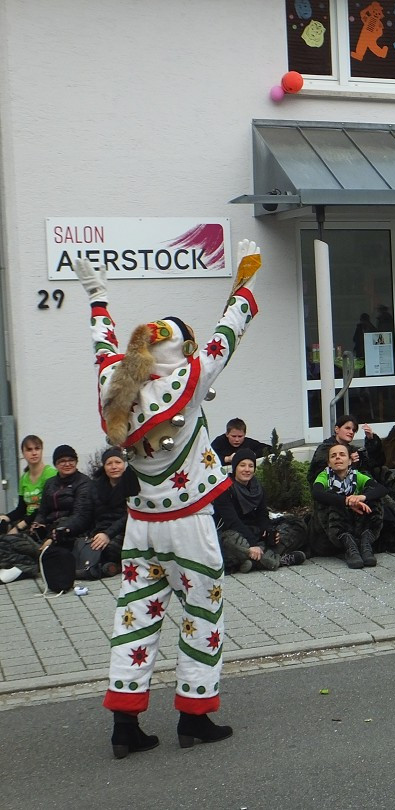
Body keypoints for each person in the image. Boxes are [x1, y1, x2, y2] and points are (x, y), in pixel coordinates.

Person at [76, 240, 262, 755]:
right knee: (202, 612)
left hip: (140, 524)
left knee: (135, 615)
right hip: (189, 524)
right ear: (181, 352)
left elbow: (102, 343)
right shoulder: (190, 379)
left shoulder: (115, 384)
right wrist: (243, 285)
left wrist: (96, 294)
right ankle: (194, 716)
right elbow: (228, 335)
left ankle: (125, 727)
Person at [307, 414, 395, 553]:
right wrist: (349, 464)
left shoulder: (352, 449)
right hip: (334, 492)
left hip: (357, 488)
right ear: (337, 429)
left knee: (381, 471)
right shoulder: (326, 449)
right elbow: (323, 477)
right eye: (347, 428)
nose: (351, 432)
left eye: (354, 430)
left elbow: (375, 463)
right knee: (375, 490)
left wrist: (371, 441)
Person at [0, 444, 93, 582]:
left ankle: (29, 565)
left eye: (71, 460)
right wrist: (37, 523)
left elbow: (79, 516)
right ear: (56, 464)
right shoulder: (51, 483)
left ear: (76, 461)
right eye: (62, 461)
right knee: (5, 542)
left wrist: (52, 537)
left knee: (40, 549)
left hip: (67, 533)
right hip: (45, 532)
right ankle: (30, 564)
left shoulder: (84, 483)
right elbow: (42, 510)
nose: (67, 464)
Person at [216, 448, 306, 573]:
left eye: (251, 466)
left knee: (295, 526)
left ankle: (252, 562)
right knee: (230, 540)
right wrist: (253, 544)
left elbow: (262, 515)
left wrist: (269, 532)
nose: (247, 469)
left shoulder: (258, 488)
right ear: (235, 467)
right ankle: (277, 561)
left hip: (255, 533)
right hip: (235, 532)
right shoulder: (224, 490)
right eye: (242, 465)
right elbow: (232, 522)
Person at [310, 442, 388, 568]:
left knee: (373, 498)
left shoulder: (357, 476)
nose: (338, 458)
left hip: (357, 525)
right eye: (333, 456)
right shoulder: (324, 476)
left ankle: (366, 542)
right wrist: (346, 501)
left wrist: (361, 497)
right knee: (330, 497)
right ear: (329, 463)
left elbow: (381, 489)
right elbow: (316, 493)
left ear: (350, 461)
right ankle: (348, 546)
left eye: (342, 455)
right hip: (331, 536)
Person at [80, 447, 138, 579]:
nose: (114, 467)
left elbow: (128, 516)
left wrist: (107, 534)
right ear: (104, 466)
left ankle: (98, 569)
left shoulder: (133, 485)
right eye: (109, 463)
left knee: (105, 549)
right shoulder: (96, 487)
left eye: (118, 462)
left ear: (124, 464)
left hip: (124, 533)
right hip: (100, 532)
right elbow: (86, 514)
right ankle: (110, 568)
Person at [0, 435, 57, 544]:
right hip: (26, 520)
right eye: (29, 450)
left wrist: (20, 526)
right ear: (23, 453)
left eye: (37, 448)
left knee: (13, 542)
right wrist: (6, 517)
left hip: (42, 522)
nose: (34, 453)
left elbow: (46, 508)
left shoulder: (50, 474)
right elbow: (21, 508)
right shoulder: (24, 478)